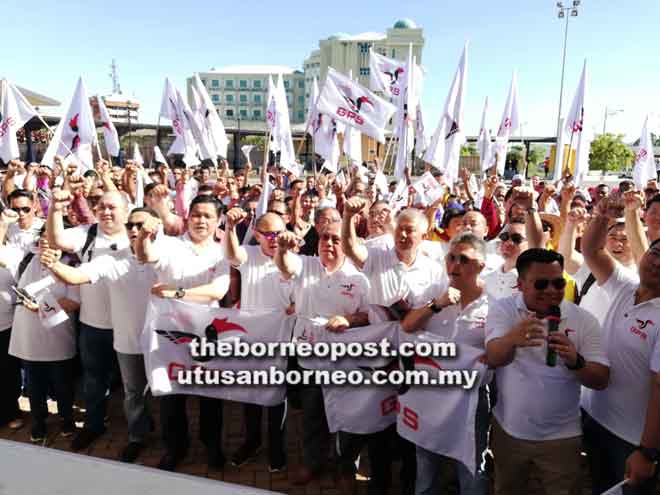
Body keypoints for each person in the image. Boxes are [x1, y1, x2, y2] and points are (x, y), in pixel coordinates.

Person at [40, 208, 161, 463]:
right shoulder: (112, 259)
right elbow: (76, 275)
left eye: (142, 225)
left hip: (165, 342)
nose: (135, 230)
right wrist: (54, 265)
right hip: (128, 341)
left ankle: (174, 444)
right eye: (131, 225)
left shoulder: (169, 254)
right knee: (133, 393)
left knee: (169, 396)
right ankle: (137, 437)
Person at [485, 248, 609, 495]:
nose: (552, 290)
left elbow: (601, 379)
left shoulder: (584, 319)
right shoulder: (503, 310)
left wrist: (576, 361)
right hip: (509, 433)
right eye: (541, 284)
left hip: (562, 439)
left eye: (558, 282)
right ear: (520, 284)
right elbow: (493, 358)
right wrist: (512, 339)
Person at [137, 195, 230, 472]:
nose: (201, 221)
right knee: (171, 395)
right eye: (196, 215)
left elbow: (217, 291)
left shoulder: (222, 252)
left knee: (210, 395)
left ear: (218, 221)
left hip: (206, 334)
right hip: (170, 333)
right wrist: (143, 235)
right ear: (187, 216)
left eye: (208, 216)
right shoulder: (169, 244)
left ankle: (211, 445)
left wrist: (176, 292)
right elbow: (145, 255)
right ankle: (175, 448)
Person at [274, 222, 369, 486]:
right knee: (312, 412)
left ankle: (347, 465)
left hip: (344, 358)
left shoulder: (358, 277)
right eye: (324, 238)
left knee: (347, 415)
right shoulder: (306, 264)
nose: (328, 243)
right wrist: (282, 248)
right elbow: (285, 265)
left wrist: (350, 319)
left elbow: (369, 315)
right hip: (309, 354)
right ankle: (313, 461)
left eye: (335, 239)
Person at [580, 194, 660, 494]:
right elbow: (590, 249)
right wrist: (602, 216)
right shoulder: (625, 286)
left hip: (631, 441)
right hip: (594, 419)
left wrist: (648, 451)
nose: (657, 261)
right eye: (655, 252)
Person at [402, 232, 491, 495]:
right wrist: (436, 305)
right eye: (451, 258)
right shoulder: (435, 294)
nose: (454, 265)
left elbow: (498, 352)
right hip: (430, 396)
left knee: (471, 468)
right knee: (426, 467)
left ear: (481, 266)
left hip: (470, 400)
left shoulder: (494, 305)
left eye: (463, 259)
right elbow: (407, 326)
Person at [47, 188, 130, 451]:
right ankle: (94, 424)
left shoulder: (138, 234)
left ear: (126, 211)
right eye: (101, 206)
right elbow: (56, 238)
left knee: (135, 383)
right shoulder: (87, 233)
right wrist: (56, 208)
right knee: (93, 379)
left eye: (112, 207)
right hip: (93, 325)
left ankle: (138, 429)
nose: (106, 211)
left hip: (130, 325)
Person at [223, 209, 293, 472]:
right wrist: (230, 227)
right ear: (256, 234)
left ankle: (277, 448)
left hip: (280, 341)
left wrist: (296, 304)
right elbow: (231, 255)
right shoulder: (249, 255)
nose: (274, 238)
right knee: (250, 396)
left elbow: (303, 292)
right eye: (268, 233)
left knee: (277, 399)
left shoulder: (294, 259)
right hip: (250, 341)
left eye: (279, 232)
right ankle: (251, 442)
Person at [8, 232, 80, 442]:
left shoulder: (71, 266)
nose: (45, 246)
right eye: (42, 241)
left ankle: (67, 420)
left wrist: (41, 308)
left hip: (57, 335)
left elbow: (74, 302)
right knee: (34, 385)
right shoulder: (28, 260)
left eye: (52, 242)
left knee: (62, 384)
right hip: (29, 336)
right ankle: (38, 422)